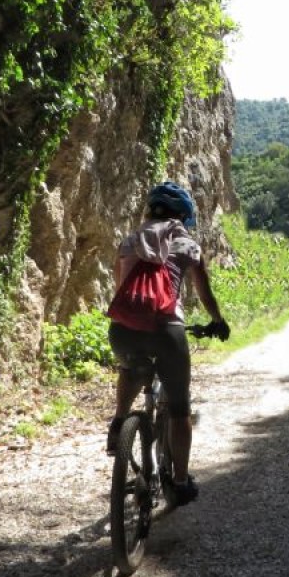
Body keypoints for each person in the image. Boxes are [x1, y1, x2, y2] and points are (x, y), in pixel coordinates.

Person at [106, 181, 229, 506]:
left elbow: (123, 290)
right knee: (179, 410)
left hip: (123, 330)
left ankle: (120, 422)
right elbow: (205, 294)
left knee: (129, 368)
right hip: (166, 330)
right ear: (183, 216)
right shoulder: (187, 245)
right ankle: (180, 481)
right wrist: (217, 321)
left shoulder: (129, 242)